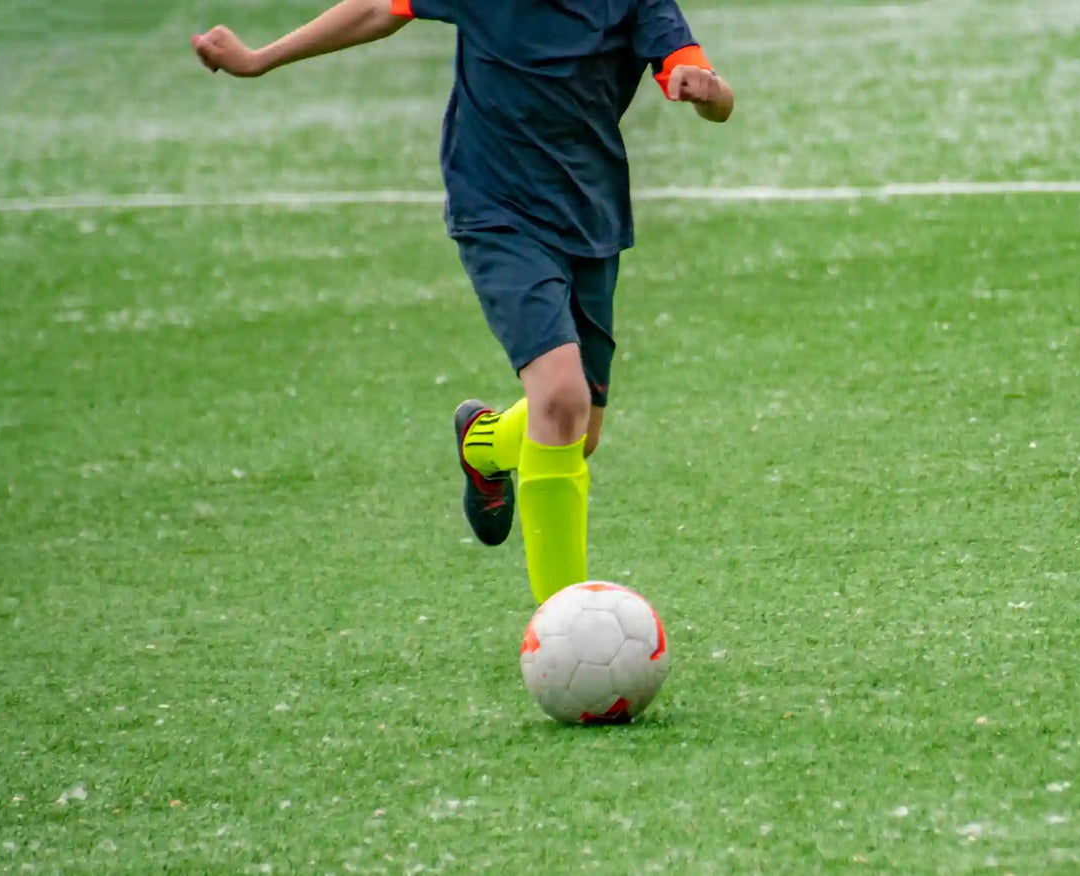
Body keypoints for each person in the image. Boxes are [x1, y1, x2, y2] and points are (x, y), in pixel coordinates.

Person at [191, 0, 734, 603]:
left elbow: (709, 90)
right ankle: (561, 626)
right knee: (560, 397)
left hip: (591, 214)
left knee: (577, 434)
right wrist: (258, 60)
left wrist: (705, 90)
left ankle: (484, 442)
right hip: (497, 209)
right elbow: (376, 9)